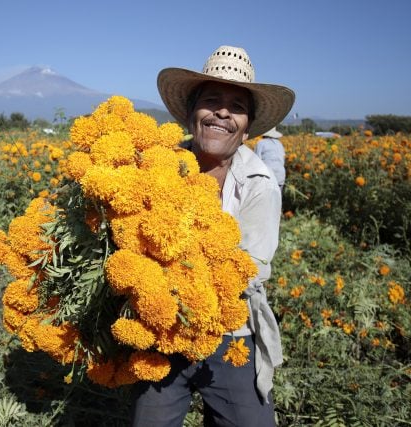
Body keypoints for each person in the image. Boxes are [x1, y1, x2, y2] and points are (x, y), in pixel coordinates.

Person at [130, 46, 295, 426]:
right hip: (161, 328)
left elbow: (247, 270)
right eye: (212, 101)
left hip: (230, 333)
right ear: (192, 113)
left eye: (236, 106)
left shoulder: (260, 185)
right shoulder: (159, 167)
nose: (222, 112)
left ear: (248, 125)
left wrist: (171, 273)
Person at [254, 127, 286, 191]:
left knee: (265, 199)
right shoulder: (279, 144)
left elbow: (256, 161)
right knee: (278, 199)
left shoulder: (261, 143)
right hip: (280, 176)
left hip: (268, 176)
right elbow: (283, 160)